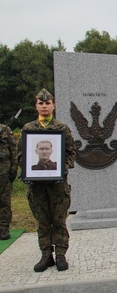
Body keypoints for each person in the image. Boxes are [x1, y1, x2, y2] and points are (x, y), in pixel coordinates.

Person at [17, 88, 76, 272]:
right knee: (42, 221)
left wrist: (63, 168)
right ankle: (45, 255)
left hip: (57, 186)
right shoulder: (28, 129)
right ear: (36, 106)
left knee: (59, 220)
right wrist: (26, 171)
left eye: (47, 103)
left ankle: (60, 255)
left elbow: (71, 153)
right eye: (41, 104)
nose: (44, 107)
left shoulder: (62, 129)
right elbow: (21, 155)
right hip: (36, 187)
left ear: (53, 106)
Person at [0, 122, 18, 241]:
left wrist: (14, 168)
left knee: (4, 200)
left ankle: (3, 228)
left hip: (3, 172)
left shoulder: (4, 129)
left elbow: (13, 150)